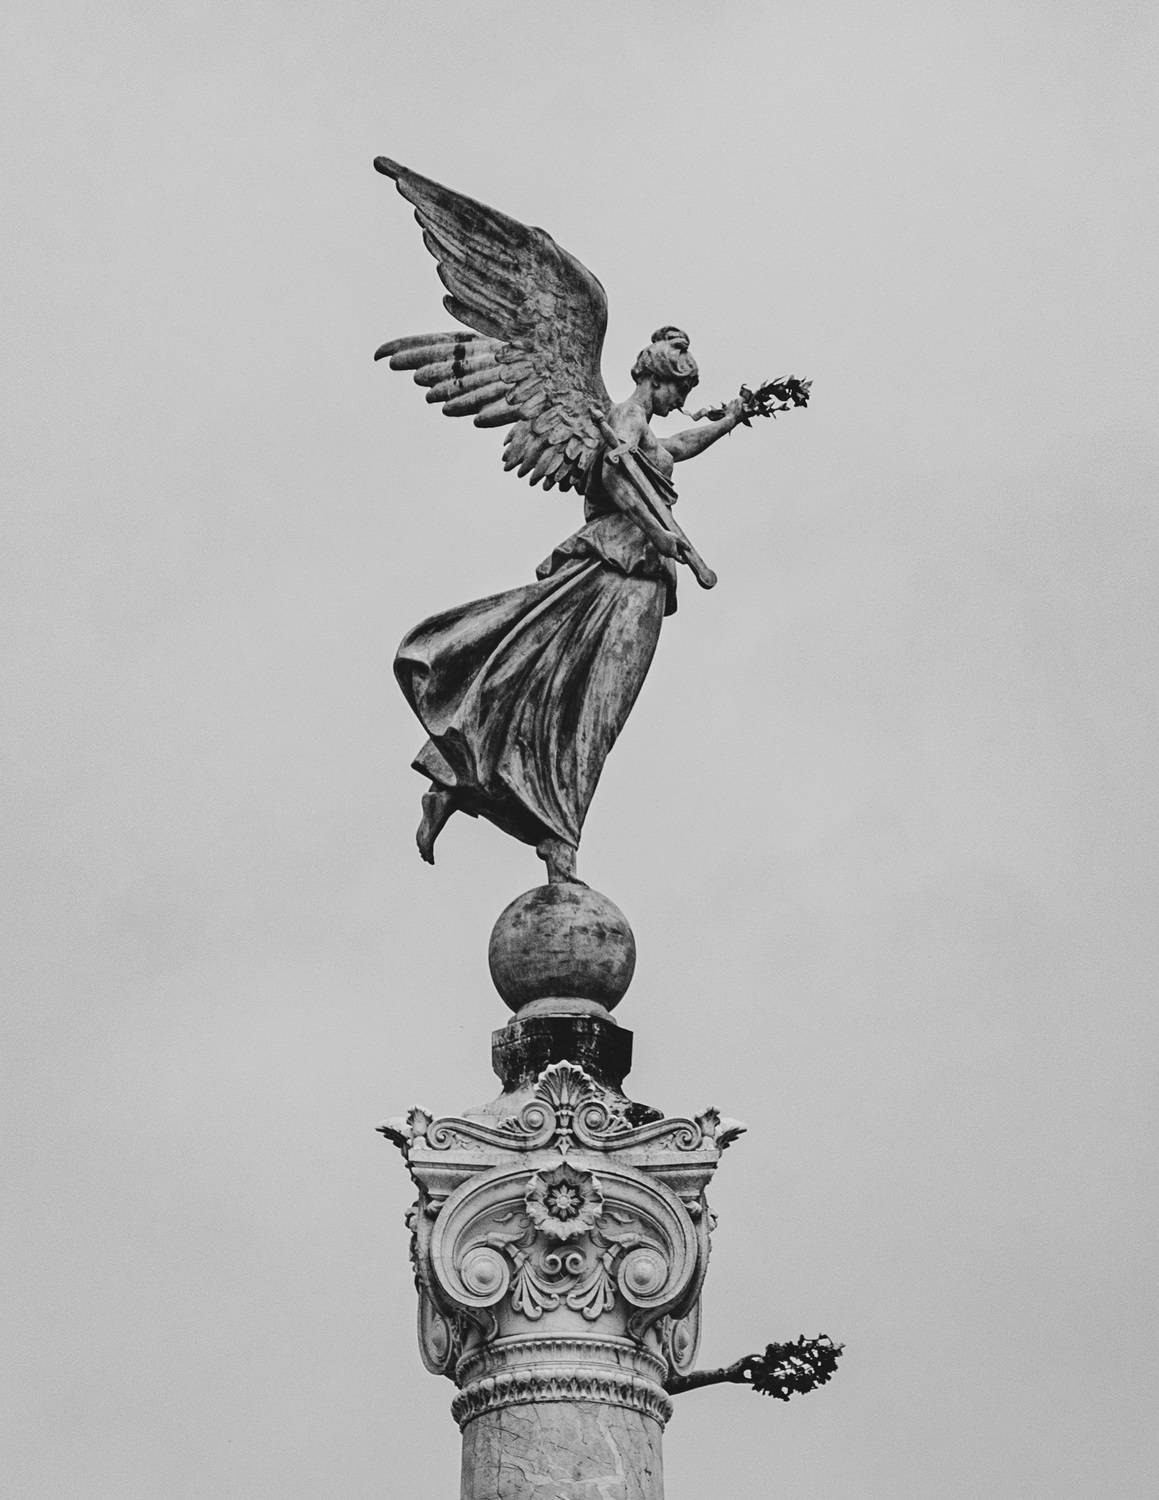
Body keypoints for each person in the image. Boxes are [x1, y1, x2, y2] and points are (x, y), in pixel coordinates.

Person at [394, 328, 745, 883]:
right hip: (614, 574)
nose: (682, 402)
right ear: (659, 379)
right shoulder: (625, 418)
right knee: (587, 714)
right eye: (681, 389)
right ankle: (557, 841)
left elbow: (678, 447)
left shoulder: (646, 431)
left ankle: (459, 785)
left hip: (640, 581)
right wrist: (657, 530)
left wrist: (730, 421)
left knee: (571, 703)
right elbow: (614, 473)